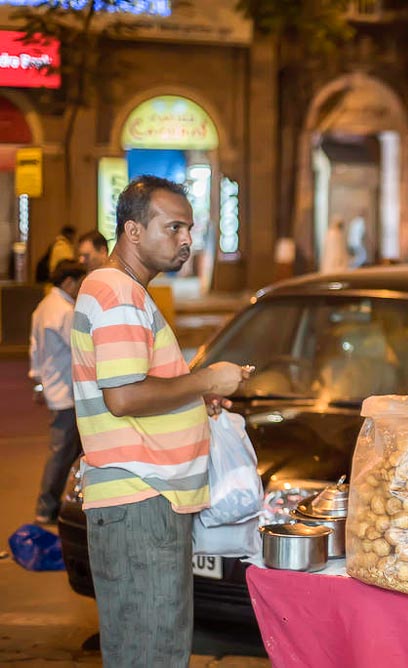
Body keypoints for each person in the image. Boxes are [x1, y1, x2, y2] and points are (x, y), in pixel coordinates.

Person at [71, 175, 251, 666]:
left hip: (143, 501)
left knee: (145, 647)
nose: (187, 240)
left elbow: (135, 389)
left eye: (189, 229)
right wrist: (207, 382)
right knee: (155, 651)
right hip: (142, 499)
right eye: (173, 228)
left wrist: (192, 399)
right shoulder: (118, 295)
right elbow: (124, 397)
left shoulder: (121, 291)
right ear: (132, 230)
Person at [29, 259, 88, 524]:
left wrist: (38, 381)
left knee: (68, 450)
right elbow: (81, 348)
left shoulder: (43, 307)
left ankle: (55, 504)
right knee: (62, 451)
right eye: (79, 282)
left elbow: (34, 349)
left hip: (55, 386)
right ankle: (46, 507)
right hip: (66, 391)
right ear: (68, 282)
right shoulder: (65, 310)